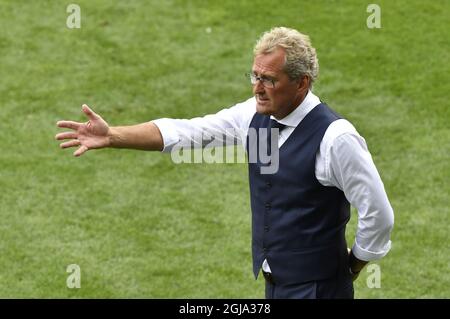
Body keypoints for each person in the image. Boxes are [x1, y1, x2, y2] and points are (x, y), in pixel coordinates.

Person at [56, 27, 394, 299]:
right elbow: (188, 133)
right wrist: (114, 135)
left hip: (319, 289)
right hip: (276, 286)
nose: (258, 88)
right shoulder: (253, 115)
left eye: (269, 80)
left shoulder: (336, 138)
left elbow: (379, 214)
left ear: (302, 82)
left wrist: (351, 266)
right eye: (254, 75)